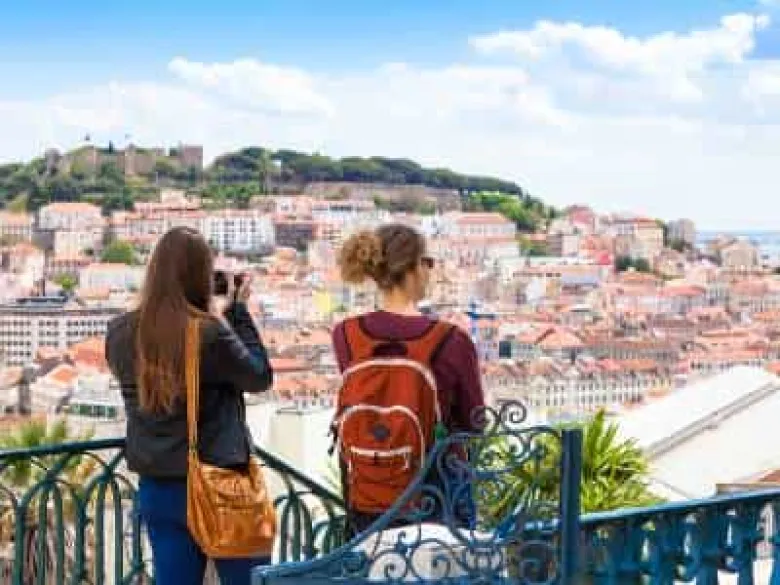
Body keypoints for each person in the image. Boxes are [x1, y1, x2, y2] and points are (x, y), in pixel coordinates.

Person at [105, 227, 274, 585]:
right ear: (201, 276)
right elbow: (259, 377)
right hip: (218, 486)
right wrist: (237, 311)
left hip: (157, 486)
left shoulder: (119, 331)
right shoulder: (208, 333)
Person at [332, 224, 485, 535]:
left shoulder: (346, 335)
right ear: (413, 268)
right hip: (436, 492)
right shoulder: (452, 340)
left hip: (369, 491)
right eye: (428, 262)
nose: (430, 271)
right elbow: (475, 422)